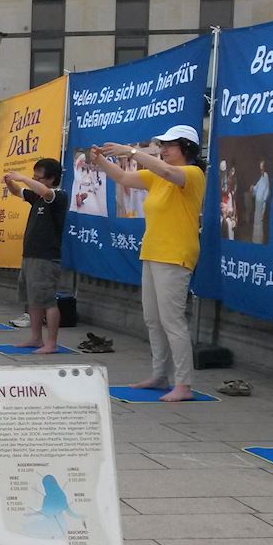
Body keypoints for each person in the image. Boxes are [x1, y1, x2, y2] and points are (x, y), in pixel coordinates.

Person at [92, 126, 207, 402]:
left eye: (170, 146)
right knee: (153, 319)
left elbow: (169, 172)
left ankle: (184, 384)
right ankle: (159, 375)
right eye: (162, 145)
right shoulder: (157, 176)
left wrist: (131, 151)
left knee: (172, 320)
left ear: (186, 149)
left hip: (175, 254)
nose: (164, 150)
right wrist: (101, 161)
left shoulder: (192, 174)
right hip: (153, 252)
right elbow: (122, 177)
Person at [3, 157, 69, 354]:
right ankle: (35, 338)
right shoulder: (37, 197)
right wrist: (9, 181)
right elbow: (17, 191)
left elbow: (46, 192)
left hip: (46, 258)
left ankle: (51, 342)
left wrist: (22, 177)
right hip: (30, 255)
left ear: (51, 178)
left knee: (47, 300)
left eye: (38, 178)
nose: (34, 180)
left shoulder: (58, 196)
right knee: (32, 299)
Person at [251, 159, 271, 244]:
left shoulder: (265, 176)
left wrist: (264, 207)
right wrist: (252, 188)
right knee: (256, 222)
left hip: (261, 204)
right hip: (258, 204)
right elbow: (256, 188)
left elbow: (266, 191)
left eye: (262, 166)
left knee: (260, 222)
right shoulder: (261, 177)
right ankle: (255, 240)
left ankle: (259, 241)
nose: (261, 168)